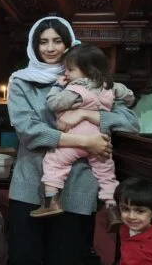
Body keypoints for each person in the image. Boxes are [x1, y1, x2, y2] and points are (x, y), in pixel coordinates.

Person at [6, 17, 139, 265]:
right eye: (43, 41)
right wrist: (82, 139)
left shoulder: (96, 81)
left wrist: (89, 117)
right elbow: (28, 131)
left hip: (79, 185)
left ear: (69, 45)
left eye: (56, 41)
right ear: (34, 46)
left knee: (60, 262)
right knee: (22, 257)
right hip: (30, 181)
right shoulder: (21, 81)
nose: (49, 48)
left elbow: (130, 122)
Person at [33, 44, 135, 224]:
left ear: (87, 70)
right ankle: (113, 209)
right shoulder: (111, 87)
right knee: (106, 174)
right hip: (101, 140)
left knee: (53, 164)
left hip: (74, 140)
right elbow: (130, 97)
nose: (67, 74)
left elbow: (54, 104)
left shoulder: (76, 90)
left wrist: (57, 86)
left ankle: (51, 201)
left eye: (70, 70)